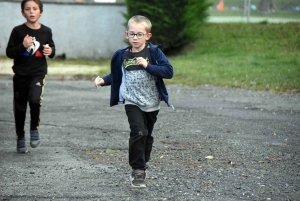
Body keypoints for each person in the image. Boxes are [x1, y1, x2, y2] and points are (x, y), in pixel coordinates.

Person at [95, 15, 174, 188]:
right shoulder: (122, 55)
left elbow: (168, 71)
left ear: (148, 36)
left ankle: (143, 162)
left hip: (151, 101)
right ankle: (137, 170)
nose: (136, 38)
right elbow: (116, 76)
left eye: (140, 34)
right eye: (132, 34)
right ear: (127, 35)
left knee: (146, 135)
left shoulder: (153, 53)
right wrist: (103, 80)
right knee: (138, 131)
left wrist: (148, 66)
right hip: (131, 100)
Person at [6, 0, 55, 153]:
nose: (31, 12)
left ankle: (34, 128)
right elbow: (9, 52)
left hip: (38, 74)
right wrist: (23, 45)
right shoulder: (18, 31)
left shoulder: (46, 31)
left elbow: (51, 48)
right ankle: (20, 138)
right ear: (23, 13)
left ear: (41, 12)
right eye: (28, 9)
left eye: (35, 9)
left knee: (34, 100)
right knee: (20, 108)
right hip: (20, 75)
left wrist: (50, 51)